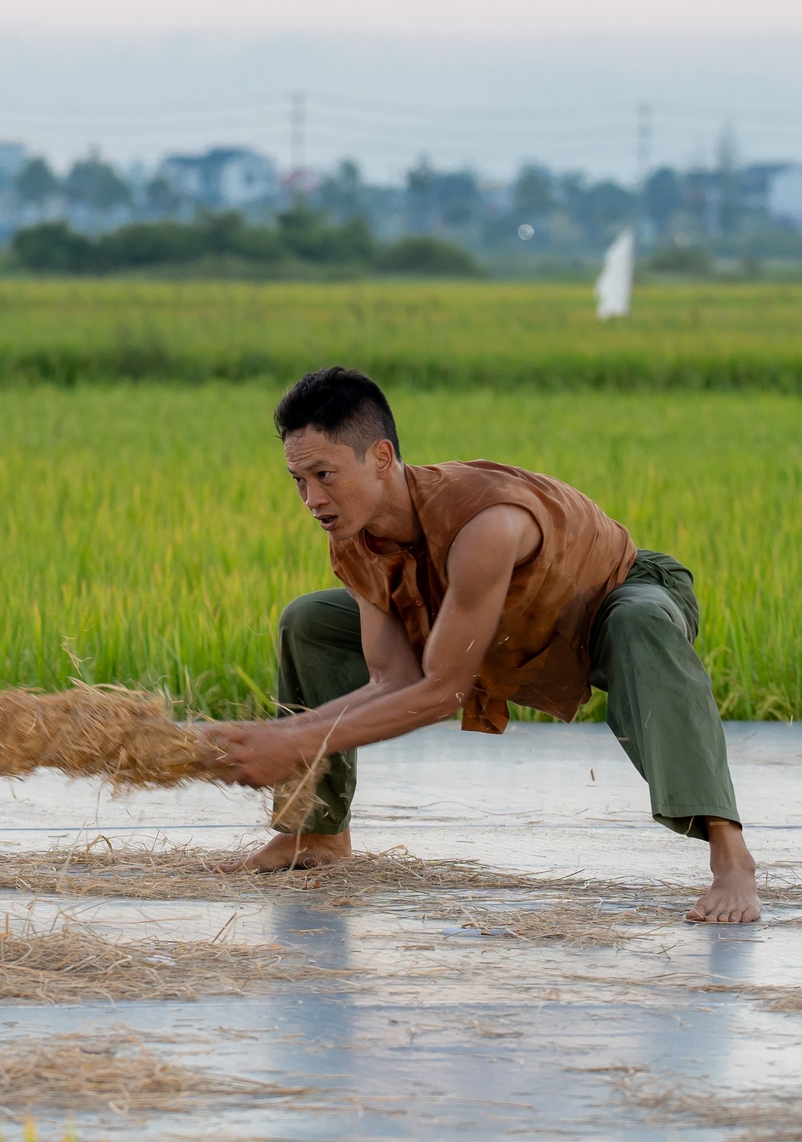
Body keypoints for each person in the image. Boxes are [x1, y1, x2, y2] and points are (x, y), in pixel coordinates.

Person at [205, 367, 760, 923]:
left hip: (608, 600)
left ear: (379, 457)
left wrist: (293, 741)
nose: (311, 498)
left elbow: (440, 690)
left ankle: (731, 857)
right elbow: (391, 681)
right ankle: (314, 834)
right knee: (311, 619)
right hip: (496, 627)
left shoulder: (484, 521)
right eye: (299, 481)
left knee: (642, 625)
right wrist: (282, 735)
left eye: (324, 475)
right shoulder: (355, 543)